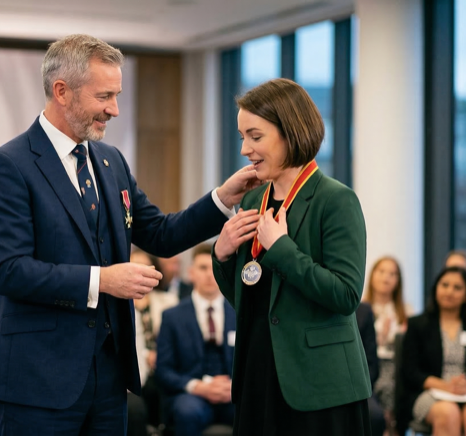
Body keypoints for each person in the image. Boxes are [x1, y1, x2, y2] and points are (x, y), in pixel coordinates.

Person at [0, 34, 258, 435]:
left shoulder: (110, 161)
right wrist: (102, 280)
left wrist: (222, 198)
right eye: (104, 96)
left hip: (109, 379)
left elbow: (159, 233)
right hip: (37, 380)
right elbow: (8, 271)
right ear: (62, 91)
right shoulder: (8, 166)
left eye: (117, 95)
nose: (115, 109)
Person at [212, 78, 371, 436]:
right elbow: (247, 296)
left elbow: (346, 295)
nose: (245, 149)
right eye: (242, 137)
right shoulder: (253, 199)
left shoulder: (336, 200)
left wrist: (282, 249)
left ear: (290, 133)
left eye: (255, 136)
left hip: (320, 385)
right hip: (258, 373)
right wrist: (222, 257)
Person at [399, 266, 466, 436]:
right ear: (436, 288)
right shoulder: (418, 325)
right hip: (430, 392)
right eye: (444, 285)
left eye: (457, 288)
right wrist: (446, 386)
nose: (449, 291)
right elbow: (411, 371)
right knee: (448, 413)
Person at [157, 244, 235, 435]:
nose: (209, 275)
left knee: (254, 408)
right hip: (192, 393)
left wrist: (234, 386)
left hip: (231, 392)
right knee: (187, 412)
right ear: (191, 273)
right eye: (203, 268)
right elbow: (164, 370)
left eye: (214, 268)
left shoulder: (238, 313)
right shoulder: (172, 316)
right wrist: (198, 387)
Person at [131, 248, 178, 431]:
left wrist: (160, 355)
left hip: (162, 363)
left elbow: (176, 340)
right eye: (134, 266)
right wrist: (145, 355)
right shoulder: (117, 302)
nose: (139, 271)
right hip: (133, 365)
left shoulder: (169, 301)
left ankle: (158, 428)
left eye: (145, 266)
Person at [361, 256, 410, 434]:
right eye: (381, 271)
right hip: (369, 365)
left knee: (394, 381)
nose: (386, 277)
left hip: (397, 365)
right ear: (372, 275)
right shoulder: (360, 309)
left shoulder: (406, 311)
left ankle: (391, 425)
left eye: (392, 274)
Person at [356, 302, 386, 436]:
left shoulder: (363, 311)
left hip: (357, 386)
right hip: (320, 387)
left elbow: (372, 363)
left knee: (374, 416)